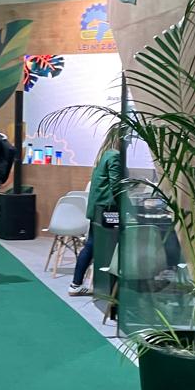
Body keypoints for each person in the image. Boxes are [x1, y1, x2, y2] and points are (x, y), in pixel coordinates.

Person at [69, 125, 122, 296]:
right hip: (107, 209)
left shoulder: (104, 154)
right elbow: (116, 186)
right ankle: (79, 284)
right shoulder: (114, 156)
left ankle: (76, 283)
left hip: (98, 209)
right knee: (94, 245)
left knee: (91, 245)